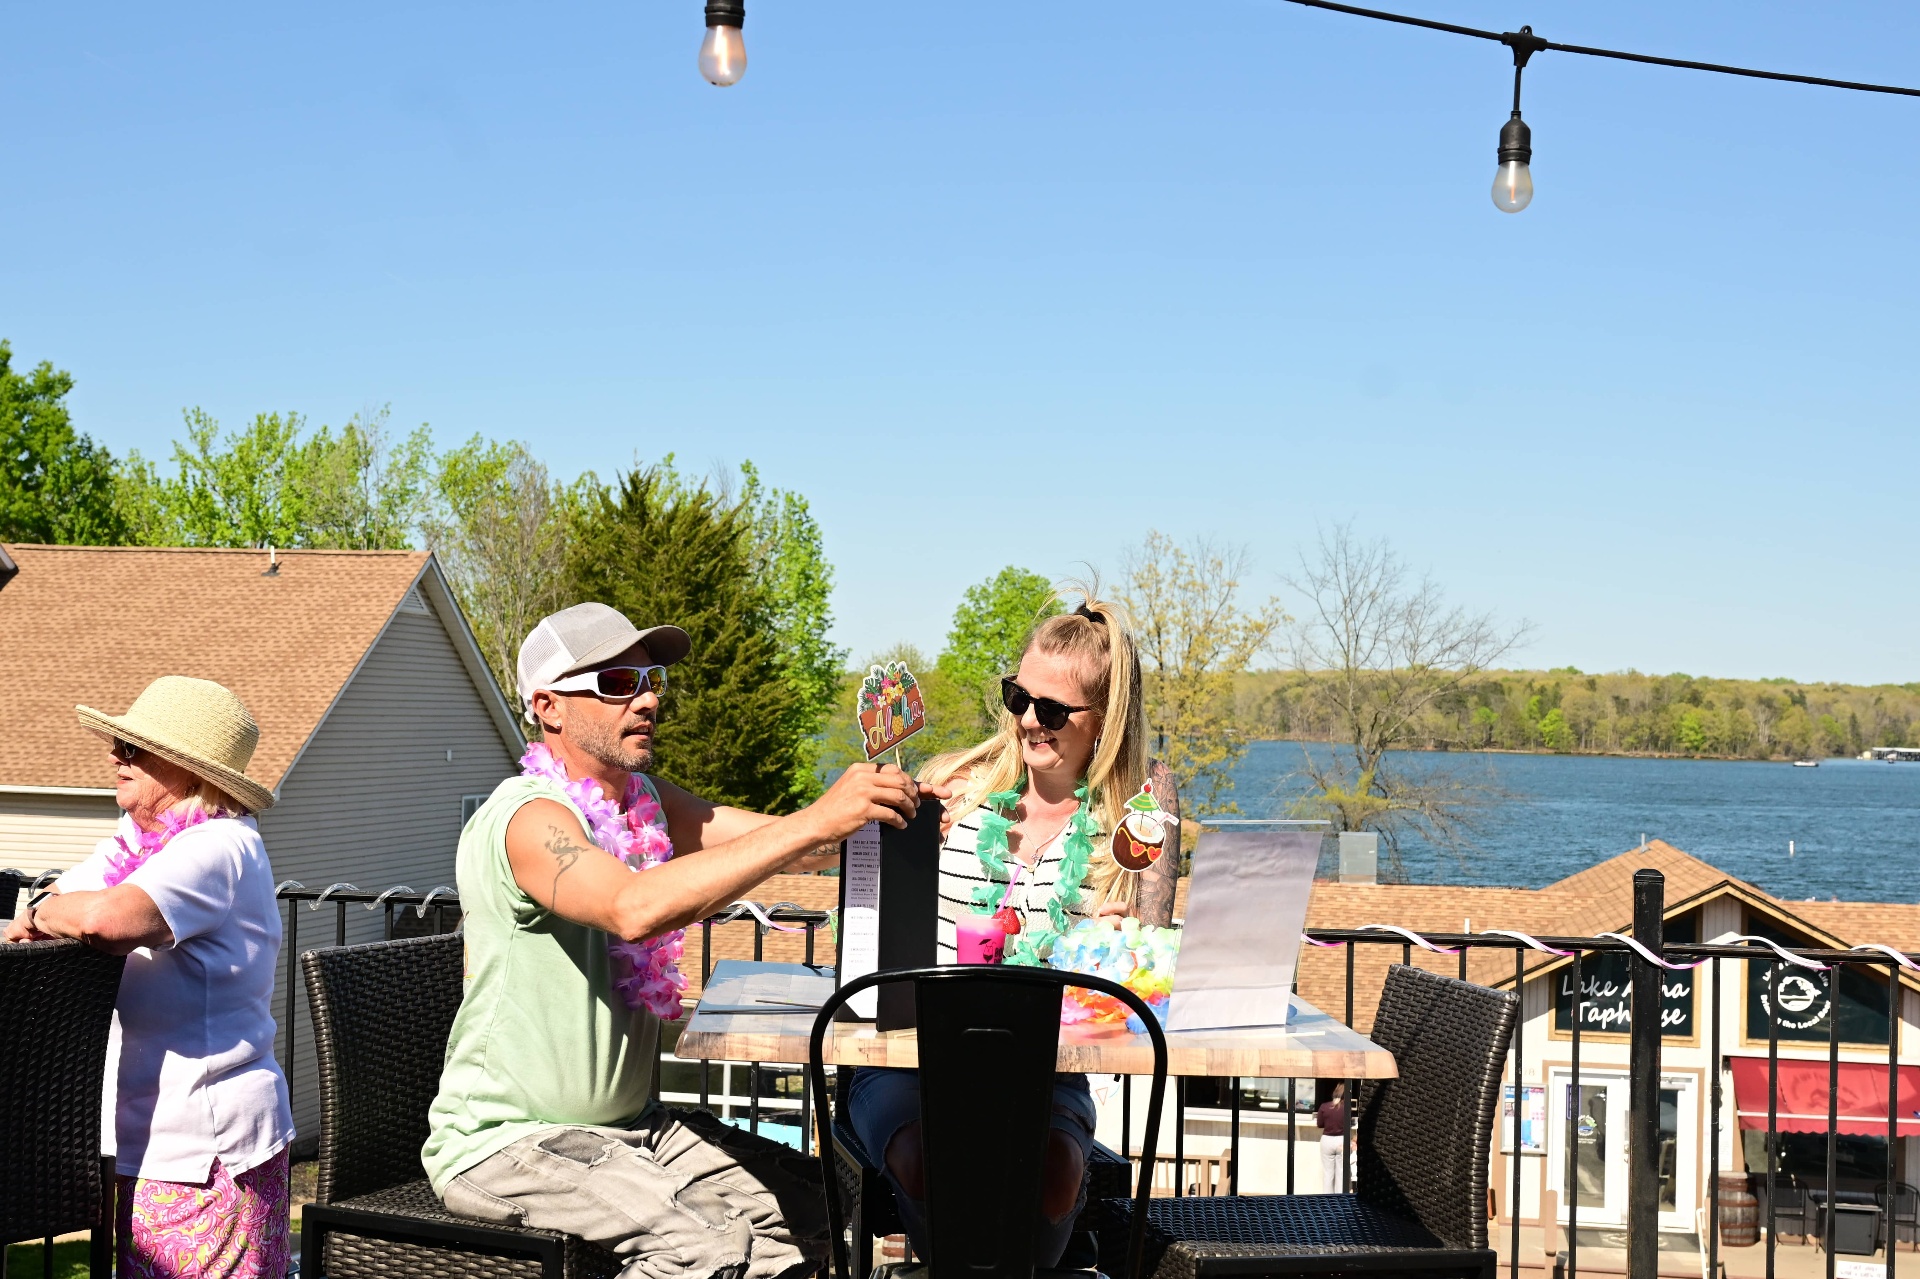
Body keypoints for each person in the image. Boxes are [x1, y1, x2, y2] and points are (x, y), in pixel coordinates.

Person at [423, 602, 929, 1279]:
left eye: (650, 677)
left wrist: (891, 803)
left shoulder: (645, 805)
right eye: (616, 682)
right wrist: (816, 820)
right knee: (705, 1247)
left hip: (632, 1126)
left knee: (822, 1204)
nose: (647, 697)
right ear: (549, 706)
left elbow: (788, 847)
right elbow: (635, 907)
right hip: (509, 1142)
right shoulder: (526, 819)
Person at [846, 591, 1180, 1265]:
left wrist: (1119, 947)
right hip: (910, 1060)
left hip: (1048, 1073)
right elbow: (870, 910)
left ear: (1104, 720)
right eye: (1017, 697)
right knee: (925, 1158)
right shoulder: (954, 791)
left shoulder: (1132, 825)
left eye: (1053, 709)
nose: (1029, 720)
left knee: (1053, 1174)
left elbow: (1152, 972)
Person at [5, 676, 294, 1279]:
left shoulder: (218, 848)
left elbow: (106, 919)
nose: (115, 755)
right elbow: (67, 896)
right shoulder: (140, 842)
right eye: (119, 743)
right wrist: (49, 910)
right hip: (153, 1139)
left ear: (189, 772)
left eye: (134, 748)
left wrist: (38, 914)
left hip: (209, 1149)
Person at [1316, 1081, 1349, 1192]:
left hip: (1327, 1140)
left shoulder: (1324, 1106)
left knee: (1328, 1173)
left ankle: (1327, 1200)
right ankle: (1340, 1200)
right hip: (1341, 1140)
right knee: (1341, 1173)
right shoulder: (1346, 1108)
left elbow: (1320, 1124)